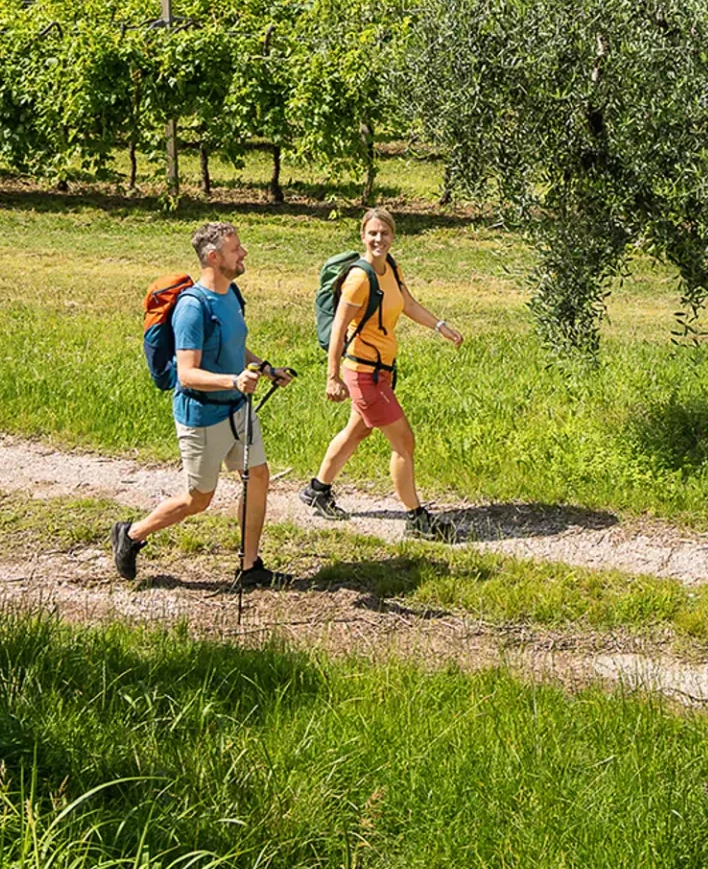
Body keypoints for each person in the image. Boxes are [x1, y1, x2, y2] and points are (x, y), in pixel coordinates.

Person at [111, 220, 292, 589]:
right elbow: (188, 375)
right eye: (235, 249)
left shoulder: (231, 295)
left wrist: (266, 369)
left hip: (236, 408)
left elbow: (233, 347)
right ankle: (131, 535)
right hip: (202, 416)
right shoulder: (192, 308)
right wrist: (234, 381)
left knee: (258, 476)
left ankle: (250, 564)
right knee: (198, 499)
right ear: (213, 257)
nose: (243, 253)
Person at [300, 206, 462, 538]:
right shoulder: (359, 278)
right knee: (404, 442)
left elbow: (409, 303)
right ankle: (416, 519)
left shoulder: (391, 267)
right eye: (372, 233)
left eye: (384, 233)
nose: (378, 239)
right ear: (363, 235)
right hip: (363, 374)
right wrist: (332, 377)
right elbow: (339, 330)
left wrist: (441, 326)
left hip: (380, 372)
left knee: (357, 431)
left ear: (393, 236)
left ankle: (317, 490)